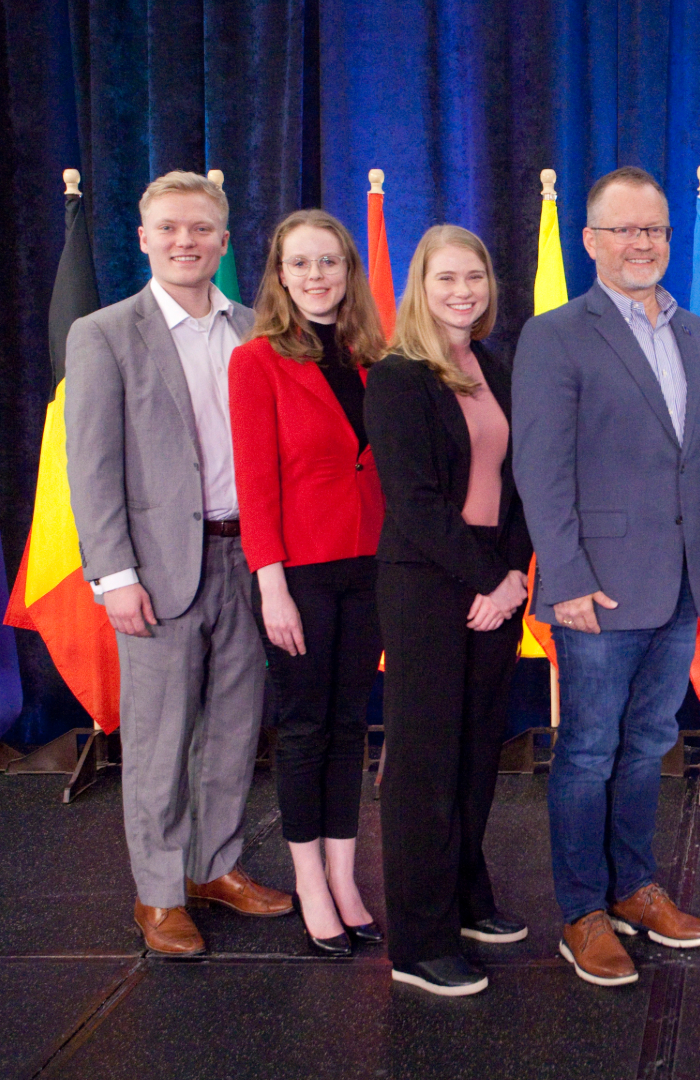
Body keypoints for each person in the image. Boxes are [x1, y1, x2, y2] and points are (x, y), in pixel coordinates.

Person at [513, 166, 700, 987]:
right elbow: (539, 471)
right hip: (598, 586)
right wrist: (564, 577)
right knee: (586, 751)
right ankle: (582, 912)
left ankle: (634, 887)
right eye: (624, 230)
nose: (641, 243)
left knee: (649, 743)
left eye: (654, 230)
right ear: (590, 242)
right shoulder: (555, 334)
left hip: (682, 581)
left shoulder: (691, 333)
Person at [67, 171, 293, 956]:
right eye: (168, 228)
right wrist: (114, 575)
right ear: (142, 237)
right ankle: (159, 894)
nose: (185, 242)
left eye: (200, 229)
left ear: (225, 242)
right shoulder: (103, 333)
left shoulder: (257, 327)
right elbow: (91, 466)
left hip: (251, 558)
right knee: (161, 740)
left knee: (233, 730)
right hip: (158, 572)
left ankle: (215, 866)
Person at [365, 225, 533, 997]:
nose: (463, 291)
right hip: (429, 587)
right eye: (446, 280)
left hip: (495, 584)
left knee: (473, 752)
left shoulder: (493, 364)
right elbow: (416, 503)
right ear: (420, 288)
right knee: (425, 765)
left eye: (474, 277)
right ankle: (419, 943)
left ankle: (466, 899)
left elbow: (522, 480)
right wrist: (488, 582)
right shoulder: (399, 376)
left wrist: (511, 577)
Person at [228, 209, 387, 957]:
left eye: (330, 262)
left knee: (351, 724)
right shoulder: (254, 361)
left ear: (347, 271)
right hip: (300, 573)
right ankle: (310, 881)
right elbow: (255, 485)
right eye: (301, 264)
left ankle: (346, 875)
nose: (317, 276)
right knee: (304, 729)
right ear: (280, 276)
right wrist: (271, 585)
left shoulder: (373, 355)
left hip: (371, 568)